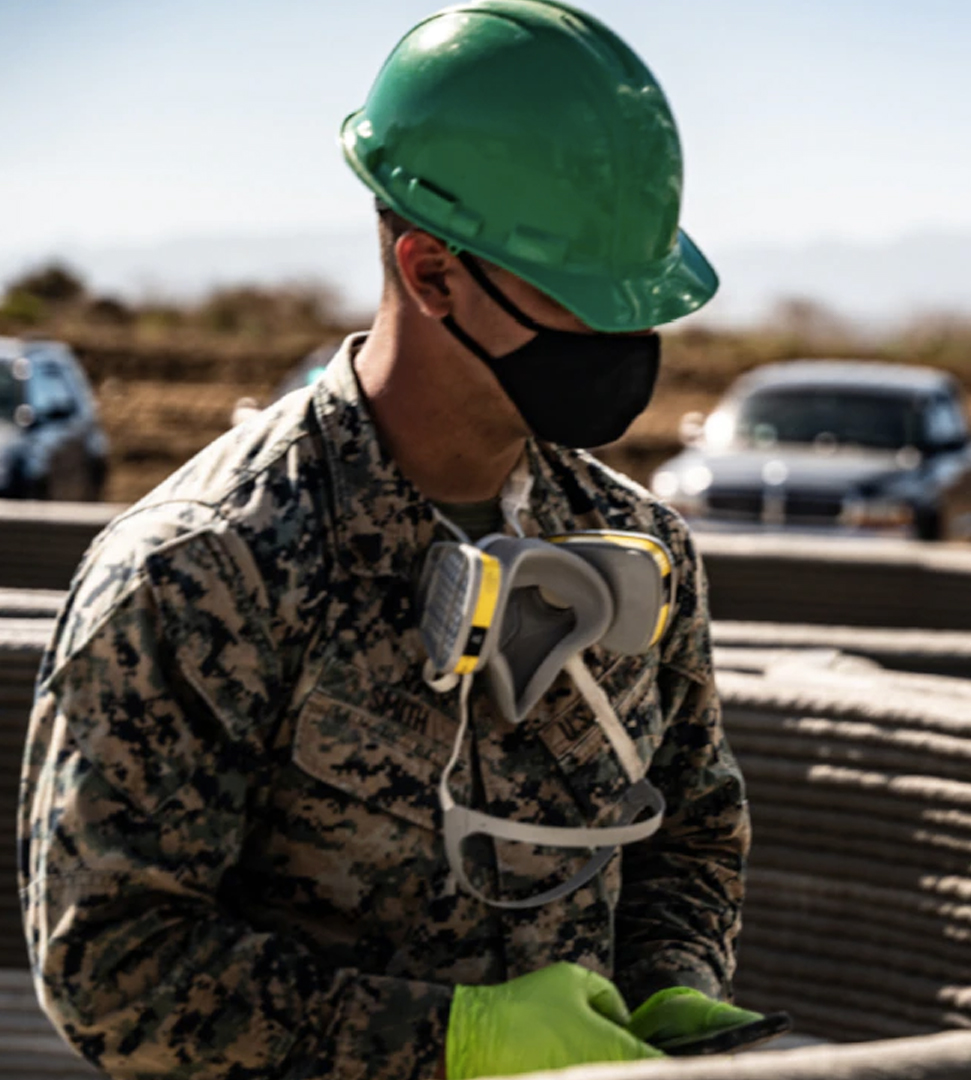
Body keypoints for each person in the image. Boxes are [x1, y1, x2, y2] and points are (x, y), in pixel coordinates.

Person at [20, 2, 778, 1076]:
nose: (623, 339)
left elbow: (691, 830)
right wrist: (453, 1042)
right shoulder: (204, 570)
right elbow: (114, 967)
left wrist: (668, 984)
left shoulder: (637, 544)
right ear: (430, 274)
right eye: (582, 299)